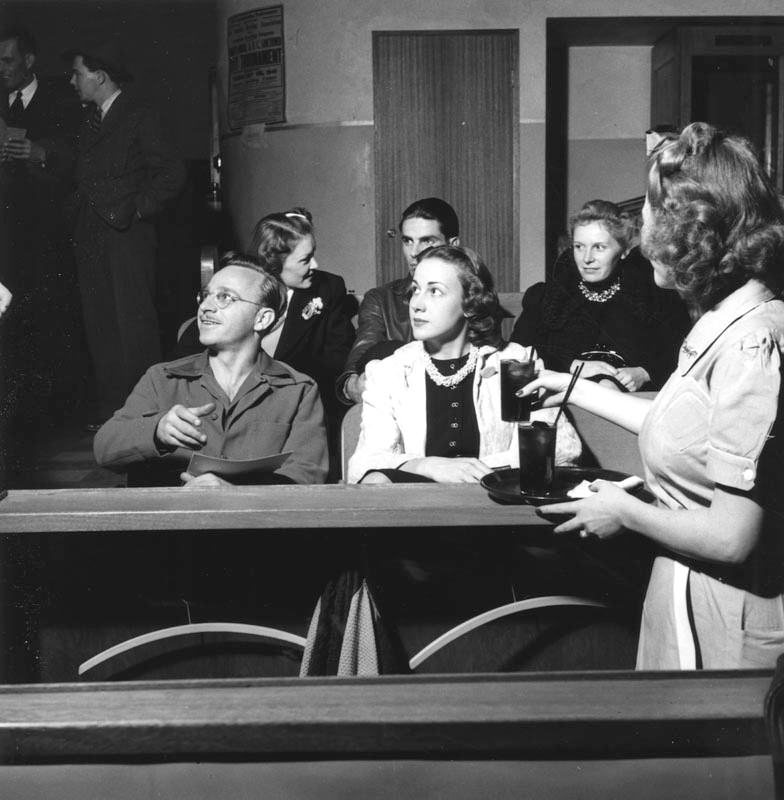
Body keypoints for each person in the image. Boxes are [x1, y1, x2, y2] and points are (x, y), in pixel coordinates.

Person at [523, 122, 784, 670]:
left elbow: (732, 538)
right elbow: (675, 426)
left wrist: (625, 510)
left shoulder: (749, 343)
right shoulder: (724, 318)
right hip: (689, 597)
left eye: (651, 214)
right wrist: (563, 385)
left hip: (726, 618)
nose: (641, 237)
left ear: (695, 229)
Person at [348, 245, 581, 484]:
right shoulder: (390, 371)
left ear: (471, 303)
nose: (416, 304)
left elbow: (562, 450)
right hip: (417, 507)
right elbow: (364, 464)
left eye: (435, 291)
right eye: (416, 290)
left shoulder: (515, 363)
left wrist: (468, 472)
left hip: (496, 505)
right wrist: (427, 466)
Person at [94, 254, 329, 487]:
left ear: (262, 319)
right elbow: (104, 448)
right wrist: (157, 430)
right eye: (205, 296)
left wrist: (236, 497)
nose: (206, 307)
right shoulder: (162, 378)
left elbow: (307, 475)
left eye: (225, 297)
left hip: (251, 522)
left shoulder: (298, 390)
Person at [64, 38, 186, 429]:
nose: (72, 81)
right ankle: (114, 415)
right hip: (91, 234)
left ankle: (145, 416)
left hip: (126, 236)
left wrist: (136, 208)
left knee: (133, 327)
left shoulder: (139, 114)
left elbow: (172, 173)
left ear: (99, 76)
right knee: (101, 326)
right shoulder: (89, 120)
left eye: (77, 73)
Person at [0, 27, 84, 442]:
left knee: (51, 323)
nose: (1, 71)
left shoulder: (64, 100)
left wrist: (41, 153)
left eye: (8, 61)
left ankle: (55, 417)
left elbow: (78, 160)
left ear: (29, 61)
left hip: (49, 236)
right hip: (5, 238)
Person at [511, 199, 690, 392]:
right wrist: (572, 366)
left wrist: (644, 372)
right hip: (562, 401)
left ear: (623, 251)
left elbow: (682, 351)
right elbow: (517, 354)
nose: (587, 258)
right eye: (579, 246)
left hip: (631, 405)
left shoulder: (652, 295)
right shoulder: (551, 296)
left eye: (599, 247)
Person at [337, 197, 460, 404]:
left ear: (453, 245)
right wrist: (351, 385)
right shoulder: (381, 299)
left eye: (427, 241)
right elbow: (361, 356)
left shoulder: (471, 296)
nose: (414, 253)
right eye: (407, 241)